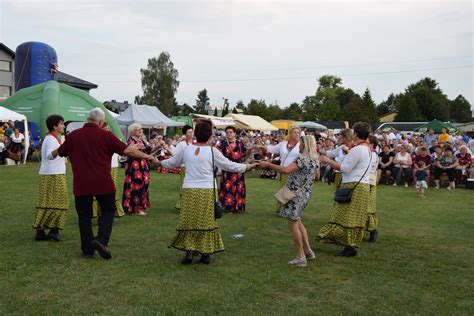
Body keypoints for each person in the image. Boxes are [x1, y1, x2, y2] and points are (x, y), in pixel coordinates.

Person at [49, 108, 156, 259]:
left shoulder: (74, 136)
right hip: (103, 182)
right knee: (108, 210)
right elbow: (128, 151)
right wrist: (148, 156)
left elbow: (58, 152)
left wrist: (50, 155)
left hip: (82, 184)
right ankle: (101, 240)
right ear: (100, 121)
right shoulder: (106, 136)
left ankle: (87, 250)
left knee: (84, 216)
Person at [160, 121, 256, 265]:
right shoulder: (213, 151)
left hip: (189, 190)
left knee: (189, 220)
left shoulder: (187, 150)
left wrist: (158, 162)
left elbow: (172, 162)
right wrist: (247, 166)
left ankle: (189, 253)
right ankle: (205, 254)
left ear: (195, 135)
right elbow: (230, 165)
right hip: (207, 190)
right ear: (211, 136)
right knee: (206, 221)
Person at [258, 135, 319, 267]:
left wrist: (269, 164)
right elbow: (317, 176)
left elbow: (285, 170)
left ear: (305, 144)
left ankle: (300, 256)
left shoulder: (302, 158)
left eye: (301, 143)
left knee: (292, 225)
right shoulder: (315, 159)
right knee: (298, 222)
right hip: (305, 194)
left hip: (295, 194)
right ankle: (308, 251)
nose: (299, 145)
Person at [317, 122, 373, 257]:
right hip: (361, 186)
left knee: (346, 216)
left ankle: (349, 246)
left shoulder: (358, 149)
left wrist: (328, 160)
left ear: (356, 134)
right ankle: (350, 245)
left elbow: (345, 168)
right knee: (353, 218)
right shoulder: (367, 149)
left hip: (353, 185)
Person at [32, 115, 68, 242]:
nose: (63, 126)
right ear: (55, 126)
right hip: (54, 174)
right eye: (61, 124)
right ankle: (53, 230)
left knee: (46, 202)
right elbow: (49, 155)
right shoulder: (51, 140)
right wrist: (63, 148)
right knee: (60, 202)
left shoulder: (50, 138)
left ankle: (40, 231)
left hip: (49, 173)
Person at [259, 126, 301, 211]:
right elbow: (271, 149)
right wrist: (260, 145)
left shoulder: (301, 145)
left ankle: (292, 209)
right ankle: (281, 209)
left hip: (295, 171)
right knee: (283, 189)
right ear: (290, 133)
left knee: (293, 191)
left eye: (298, 132)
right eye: (294, 132)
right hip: (284, 170)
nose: (296, 134)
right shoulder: (283, 144)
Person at [93, 122, 125, 219]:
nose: (107, 129)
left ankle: (110, 212)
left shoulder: (111, 137)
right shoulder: (98, 139)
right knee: (102, 190)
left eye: (107, 127)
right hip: (104, 167)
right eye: (105, 127)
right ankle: (100, 213)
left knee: (112, 189)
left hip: (113, 166)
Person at [217, 126, 248, 214]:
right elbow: (218, 155)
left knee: (239, 187)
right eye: (227, 132)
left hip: (238, 169)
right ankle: (229, 207)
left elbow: (244, 153)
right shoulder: (222, 144)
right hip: (227, 170)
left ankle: (238, 206)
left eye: (231, 132)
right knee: (228, 187)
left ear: (235, 133)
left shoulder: (240, 143)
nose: (229, 134)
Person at [122, 123, 152, 216]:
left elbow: (148, 153)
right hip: (135, 167)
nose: (141, 131)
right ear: (132, 132)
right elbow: (129, 152)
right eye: (138, 130)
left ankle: (141, 206)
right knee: (136, 186)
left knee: (144, 185)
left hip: (143, 166)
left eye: (141, 129)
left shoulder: (142, 141)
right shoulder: (131, 141)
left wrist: (158, 146)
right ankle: (135, 208)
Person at [171, 125, 194, 210]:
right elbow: (175, 155)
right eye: (189, 132)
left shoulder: (196, 143)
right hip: (185, 167)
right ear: (185, 133)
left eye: (192, 132)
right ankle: (182, 205)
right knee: (185, 187)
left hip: (194, 168)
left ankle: (191, 204)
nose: (191, 134)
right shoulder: (181, 144)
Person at [366, 135, 380, 243]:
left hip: (369, 183)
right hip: (366, 182)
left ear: (372, 144)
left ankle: (373, 230)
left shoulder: (373, 154)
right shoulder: (370, 153)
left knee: (368, 209)